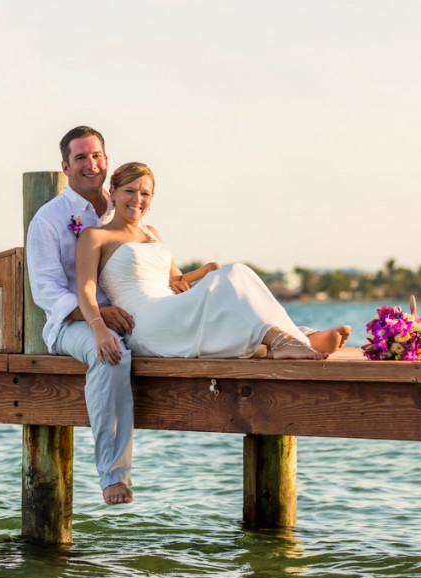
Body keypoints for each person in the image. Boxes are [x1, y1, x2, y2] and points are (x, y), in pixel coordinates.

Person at [75, 161, 350, 366]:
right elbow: (85, 291)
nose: (137, 200)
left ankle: (286, 341)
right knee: (232, 279)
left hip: (168, 306)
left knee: (238, 273)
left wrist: (206, 271)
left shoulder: (152, 234)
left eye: (145, 194)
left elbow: (176, 281)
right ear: (112, 191)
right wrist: (99, 331)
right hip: (144, 321)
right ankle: (292, 340)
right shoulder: (95, 236)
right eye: (129, 191)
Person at [26, 126, 135, 505]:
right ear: (65, 166)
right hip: (71, 325)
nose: (91, 165)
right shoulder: (50, 219)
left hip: (129, 314)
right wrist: (98, 317)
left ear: (107, 159)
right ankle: (112, 473)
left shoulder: (123, 205)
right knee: (112, 355)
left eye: (97, 155)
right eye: (81, 158)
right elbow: (47, 293)